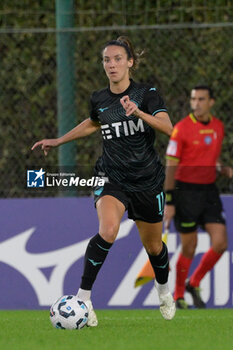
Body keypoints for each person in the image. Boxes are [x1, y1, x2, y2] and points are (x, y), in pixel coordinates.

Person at [32, 36, 176, 324]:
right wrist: (59, 140)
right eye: (107, 60)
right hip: (111, 177)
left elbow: (170, 129)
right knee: (108, 230)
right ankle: (83, 300)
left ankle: (163, 292)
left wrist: (139, 113)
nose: (112, 65)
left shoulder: (146, 94)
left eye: (118, 59)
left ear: (130, 62)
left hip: (147, 181)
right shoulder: (99, 98)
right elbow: (93, 122)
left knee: (155, 248)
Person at [164, 85, 233, 309]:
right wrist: (170, 201)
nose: (197, 103)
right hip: (185, 192)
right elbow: (171, 166)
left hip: (209, 191)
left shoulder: (218, 127)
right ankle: (179, 295)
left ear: (211, 102)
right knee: (189, 247)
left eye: (201, 99)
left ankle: (193, 282)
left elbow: (208, 157)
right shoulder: (182, 129)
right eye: (194, 99)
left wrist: (223, 168)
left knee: (221, 243)